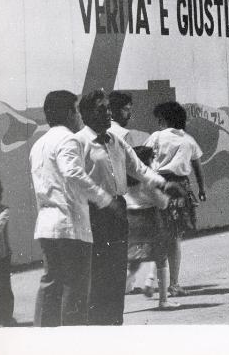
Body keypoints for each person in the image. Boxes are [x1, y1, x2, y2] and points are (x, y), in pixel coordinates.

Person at [68, 89, 183, 325]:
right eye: (102, 109)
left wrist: (164, 183)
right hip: (93, 213)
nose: (108, 113)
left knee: (116, 271)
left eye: (109, 108)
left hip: (117, 210)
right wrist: (103, 199)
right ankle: (96, 328)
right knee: (98, 273)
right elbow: (73, 175)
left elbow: (138, 169)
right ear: (86, 114)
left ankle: (114, 324)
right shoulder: (78, 142)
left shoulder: (116, 141)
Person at [30, 90, 95, 327]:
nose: (80, 116)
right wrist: (103, 196)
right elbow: (73, 174)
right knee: (75, 288)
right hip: (71, 225)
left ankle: (42, 340)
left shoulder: (38, 144)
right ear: (69, 113)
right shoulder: (69, 139)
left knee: (50, 284)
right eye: (77, 111)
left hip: (47, 226)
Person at [144, 101, 207, 298]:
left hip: (157, 186)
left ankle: (151, 279)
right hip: (180, 188)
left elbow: (142, 159)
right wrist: (202, 189)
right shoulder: (189, 140)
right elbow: (198, 167)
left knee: (159, 233)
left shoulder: (155, 136)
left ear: (162, 119)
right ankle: (174, 284)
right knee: (175, 237)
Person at [125, 146, 180, 310]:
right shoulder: (148, 181)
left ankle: (114, 296)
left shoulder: (126, 179)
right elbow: (162, 203)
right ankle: (163, 300)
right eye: (151, 159)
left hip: (131, 220)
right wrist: (168, 196)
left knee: (134, 261)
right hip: (149, 219)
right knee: (160, 260)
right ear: (146, 161)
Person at [0, 178, 15, 326]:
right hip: (0, 255)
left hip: (1, 255)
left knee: (4, 288)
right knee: (4, 287)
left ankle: (6, 318)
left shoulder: (4, 210)